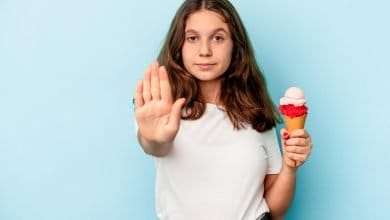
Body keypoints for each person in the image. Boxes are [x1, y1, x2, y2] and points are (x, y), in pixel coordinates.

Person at [134, 0, 313, 219]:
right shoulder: (160, 110)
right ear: (178, 46)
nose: (205, 51)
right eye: (192, 38)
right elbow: (155, 145)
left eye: (218, 38)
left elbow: (274, 210)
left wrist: (289, 166)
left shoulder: (253, 110)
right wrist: (154, 139)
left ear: (235, 46)